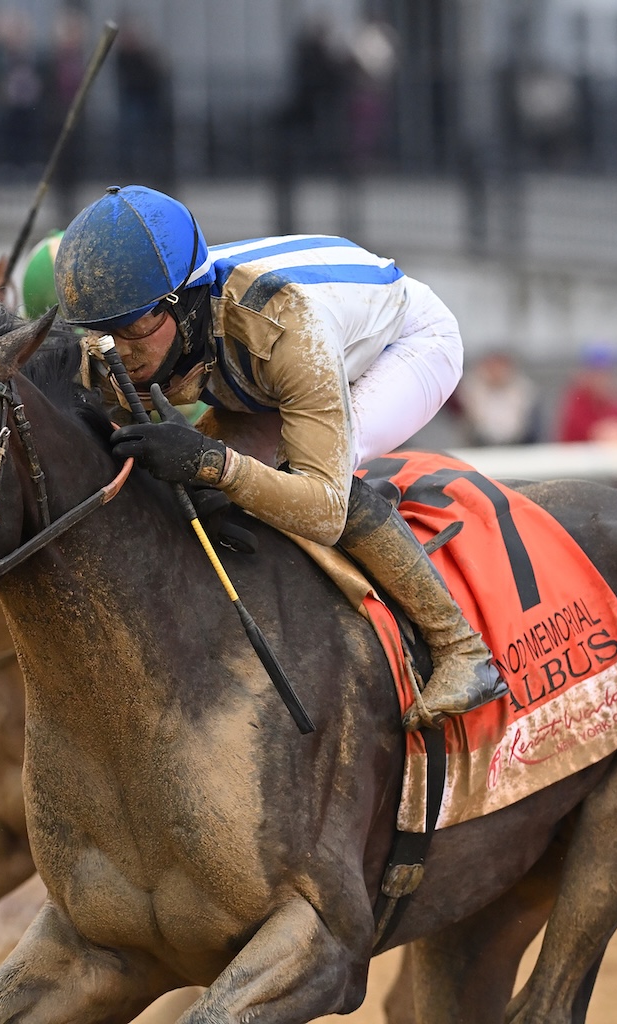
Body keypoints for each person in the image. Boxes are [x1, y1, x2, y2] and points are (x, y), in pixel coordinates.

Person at [53, 185, 507, 729]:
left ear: (184, 303)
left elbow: (323, 509)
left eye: (133, 328)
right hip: (260, 377)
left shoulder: (289, 323)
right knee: (206, 489)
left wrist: (211, 461)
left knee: (300, 470)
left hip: (404, 346)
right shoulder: (154, 322)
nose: (117, 348)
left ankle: (462, 649)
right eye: (100, 332)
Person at [555, 342, 617, 443]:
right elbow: (584, 433)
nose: (602, 379)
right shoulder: (574, 401)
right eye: (597, 373)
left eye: (608, 374)